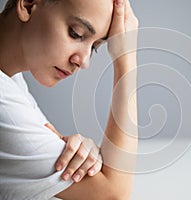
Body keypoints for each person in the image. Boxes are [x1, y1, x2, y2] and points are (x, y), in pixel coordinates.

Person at [0, 0, 138, 199]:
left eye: (95, 47)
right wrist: (126, 60)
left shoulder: (12, 80)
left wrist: (87, 155)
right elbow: (113, 193)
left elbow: (50, 139)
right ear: (29, 5)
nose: (83, 61)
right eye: (77, 34)